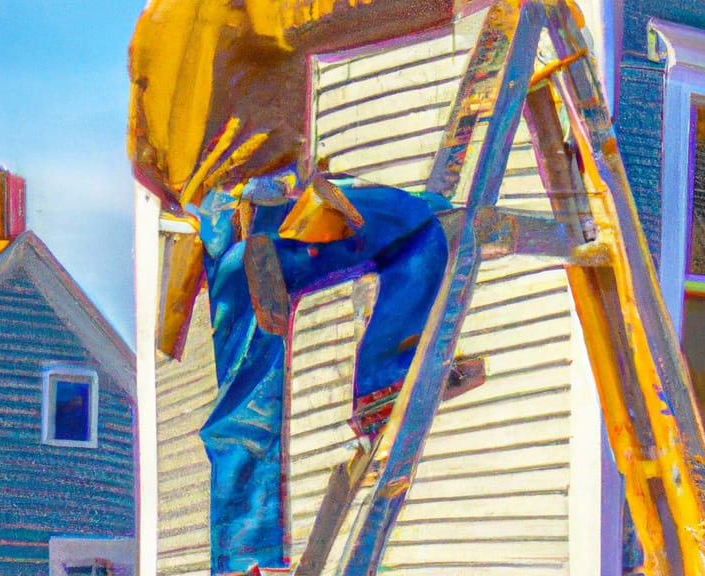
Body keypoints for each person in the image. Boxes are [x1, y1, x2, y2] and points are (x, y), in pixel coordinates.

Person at [128, 1, 464, 572]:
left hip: (214, 230)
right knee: (420, 226)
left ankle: (244, 562)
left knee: (245, 403)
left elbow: (144, 161)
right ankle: (383, 380)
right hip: (273, 218)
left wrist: (202, 189)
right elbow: (335, 11)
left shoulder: (153, 27)